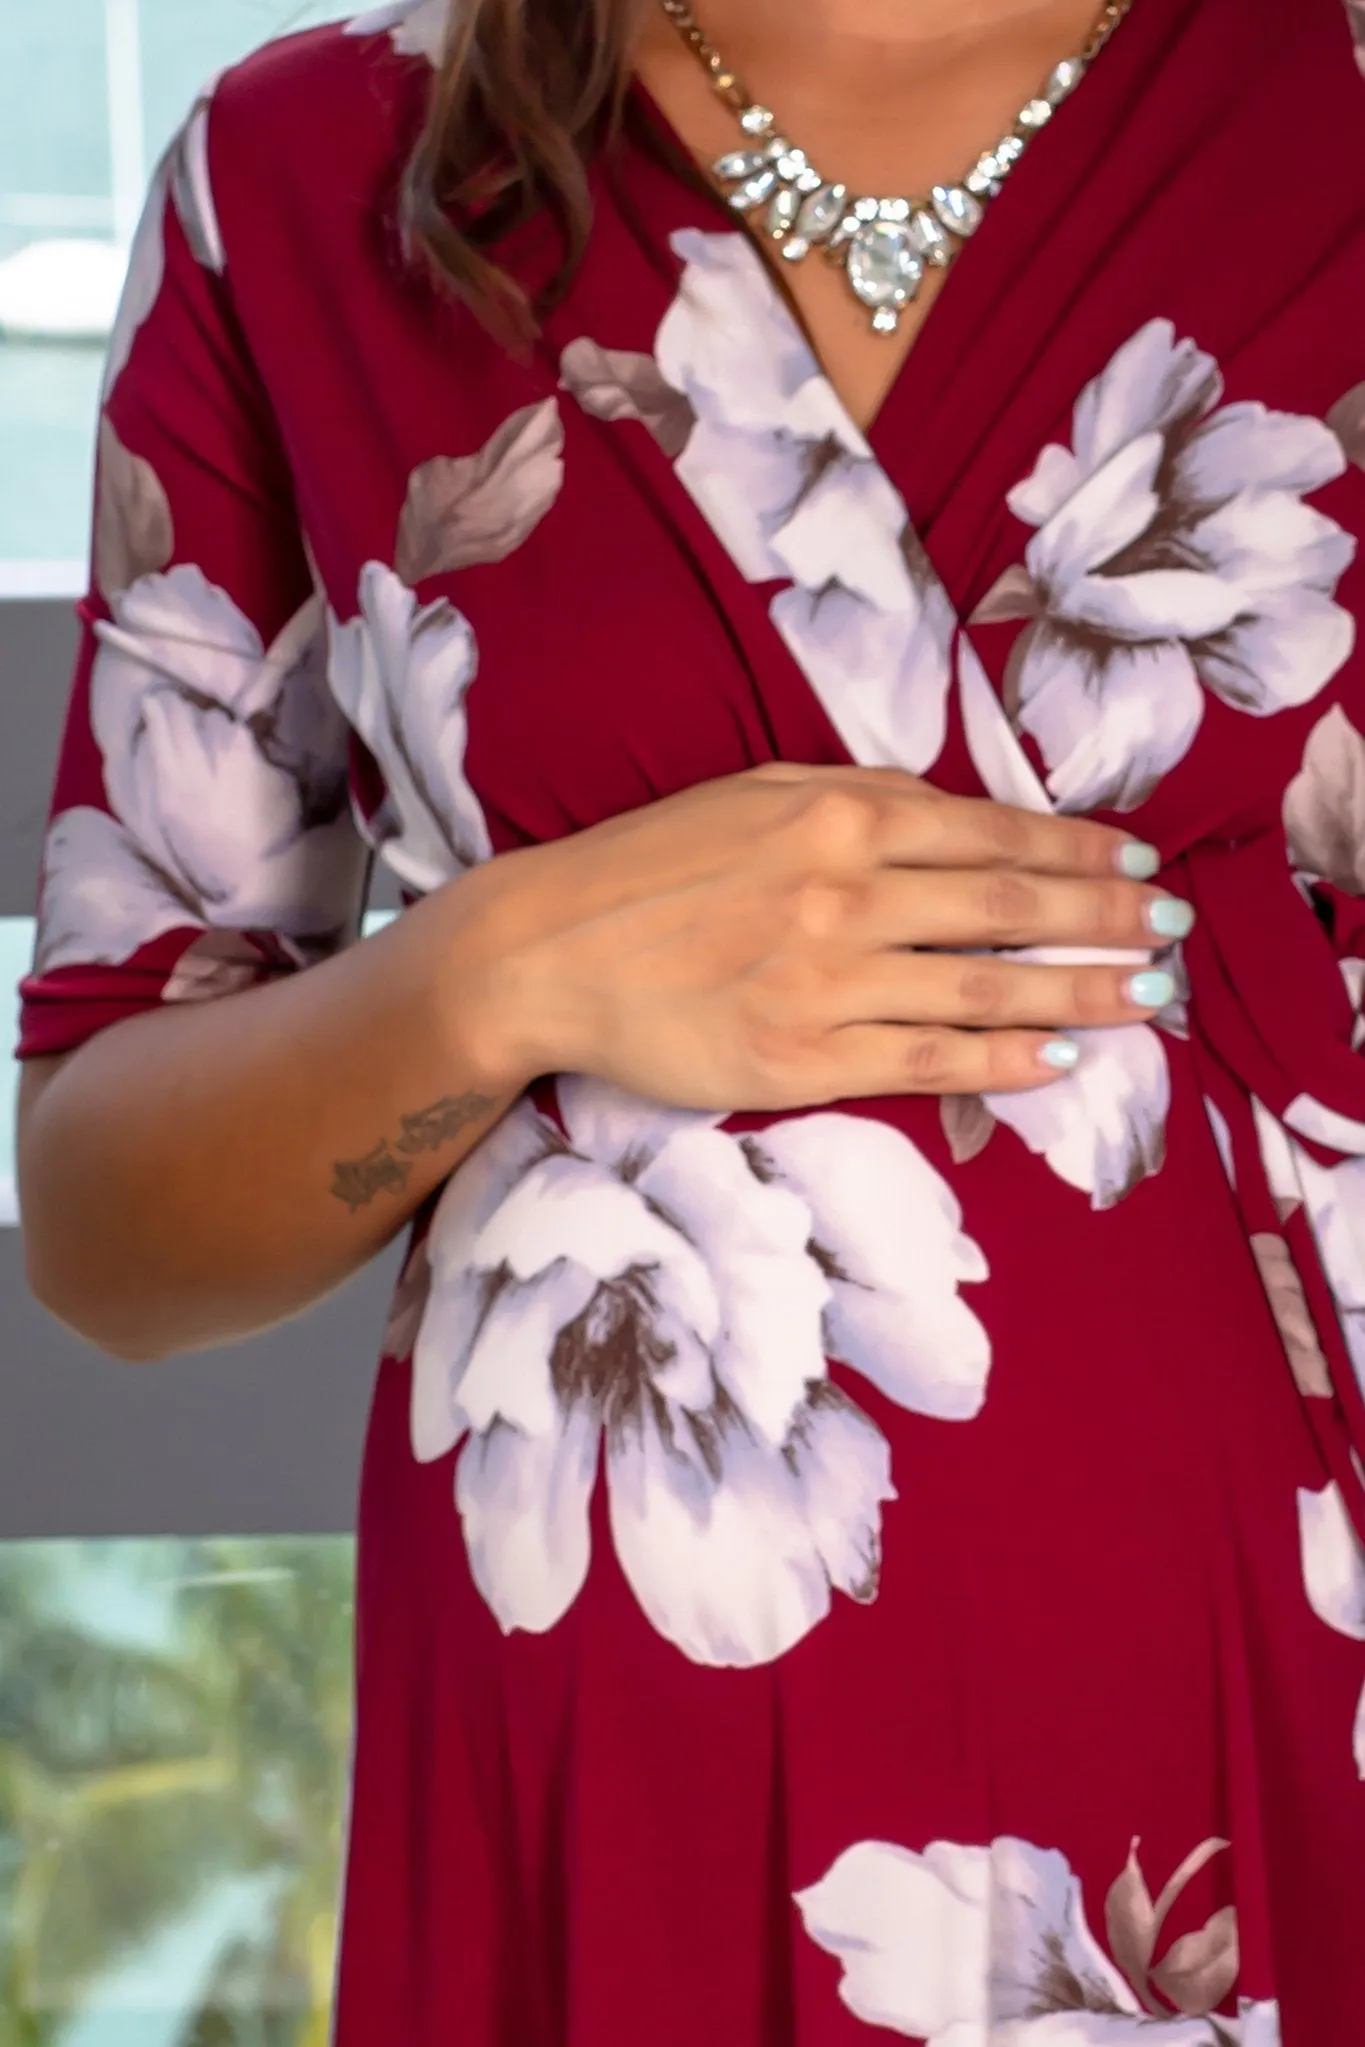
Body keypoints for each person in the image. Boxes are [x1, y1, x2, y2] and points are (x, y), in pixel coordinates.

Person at [14, 0, 1365, 2034]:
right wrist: (507, 972)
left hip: (1283, 1679)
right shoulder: (305, 170)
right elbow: (111, 1231)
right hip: (618, 1760)